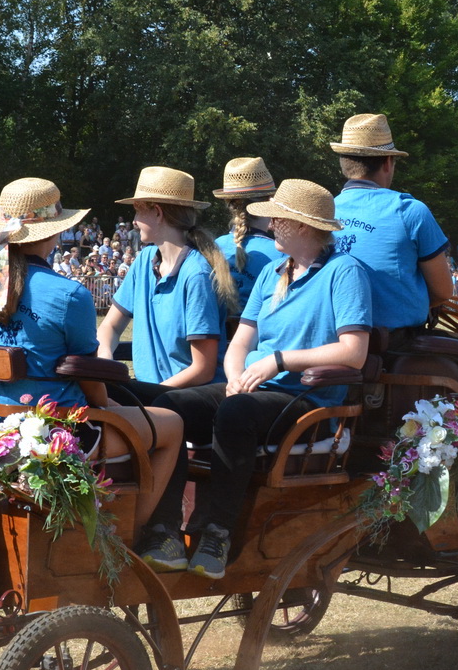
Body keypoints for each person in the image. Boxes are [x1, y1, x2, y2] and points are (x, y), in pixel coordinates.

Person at [138, 181, 372, 579]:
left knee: (236, 412)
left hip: (308, 402)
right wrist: (234, 377)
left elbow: (355, 351)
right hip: (252, 394)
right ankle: (166, 533)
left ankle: (218, 533)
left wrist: (279, 361)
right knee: (168, 406)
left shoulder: (344, 272)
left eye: (277, 218)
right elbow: (240, 343)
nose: (269, 223)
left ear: (301, 226)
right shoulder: (271, 274)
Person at [0, 177, 183, 519]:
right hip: (58, 434)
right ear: (54, 233)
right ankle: (140, 531)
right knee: (172, 423)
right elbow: (91, 382)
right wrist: (107, 406)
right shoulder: (69, 295)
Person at [329, 113, 458, 425]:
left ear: (344, 163)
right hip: (395, 345)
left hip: (332, 340)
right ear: (387, 163)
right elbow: (443, 291)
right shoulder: (410, 211)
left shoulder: (323, 210)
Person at [96, 166, 237, 394]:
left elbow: (203, 369)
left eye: (138, 212)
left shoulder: (197, 275)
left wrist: (150, 395)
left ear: (158, 213)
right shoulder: (143, 261)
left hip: (185, 401)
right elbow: (109, 327)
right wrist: (105, 363)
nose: (134, 221)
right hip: (150, 396)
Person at [210, 157, 280, 311]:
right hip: (260, 335)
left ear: (229, 204)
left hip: (218, 335)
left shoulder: (214, 247)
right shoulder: (280, 254)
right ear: (269, 202)